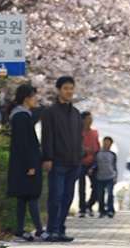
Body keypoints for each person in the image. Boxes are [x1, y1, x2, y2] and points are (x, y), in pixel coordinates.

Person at [41, 76, 83, 243]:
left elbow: (79, 137)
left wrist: (80, 156)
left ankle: (61, 228)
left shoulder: (76, 113)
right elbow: (47, 136)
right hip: (57, 161)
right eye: (66, 88)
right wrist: (47, 157)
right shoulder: (50, 112)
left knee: (67, 197)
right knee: (56, 197)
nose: (69, 91)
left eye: (71, 88)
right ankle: (52, 230)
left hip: (74, 162)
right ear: (59, 90)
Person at [6, 84, 45, 241]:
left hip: (21, 163)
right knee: (32, 196)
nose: (36, 100)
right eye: (34, 96)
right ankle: (40, 231)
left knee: (23, 198)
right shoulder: (21, 116)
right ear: (26, 98)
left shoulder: (22, 115)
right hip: (26, 164)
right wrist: (30, 165)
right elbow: (24, 143)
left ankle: (20, 231)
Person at [78, 111, 100, 218]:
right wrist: (85, 150)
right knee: (81, 187)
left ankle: (89, 205)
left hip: (92, 163)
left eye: (91, 119)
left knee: (96, 187)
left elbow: (97, 148)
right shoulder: (78, 133)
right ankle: (82, 209)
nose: (90, 121)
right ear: (82, 120)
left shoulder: (95, 133)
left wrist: (95, 162)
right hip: (80, 163)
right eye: (88, 119)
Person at [92, 136, 118, 218]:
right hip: (100, 177)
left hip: (110, 176)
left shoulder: (112, 154)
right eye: (105, 142)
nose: (106, 144)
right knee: (100, 195)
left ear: (111, 144)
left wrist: (115, 176)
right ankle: (102, 211)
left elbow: (114, 166)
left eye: (108, 142)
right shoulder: (98, 153)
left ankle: (110, 210)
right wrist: (92, 169)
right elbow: (95, 164)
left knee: (110, 194)